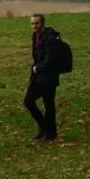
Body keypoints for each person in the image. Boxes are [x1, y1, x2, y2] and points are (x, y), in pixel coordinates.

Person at [23, 13, 61, 141]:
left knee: (48, 105)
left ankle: (51, 133)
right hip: (37, 76)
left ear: (42, 23)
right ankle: (44, 127)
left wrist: (38, 68)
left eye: (37, 23)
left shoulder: (50, 38)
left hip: (49, 76)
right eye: (32, 23)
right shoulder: (35, 36)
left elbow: (50, 59)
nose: (34, 26)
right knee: (28, 101)